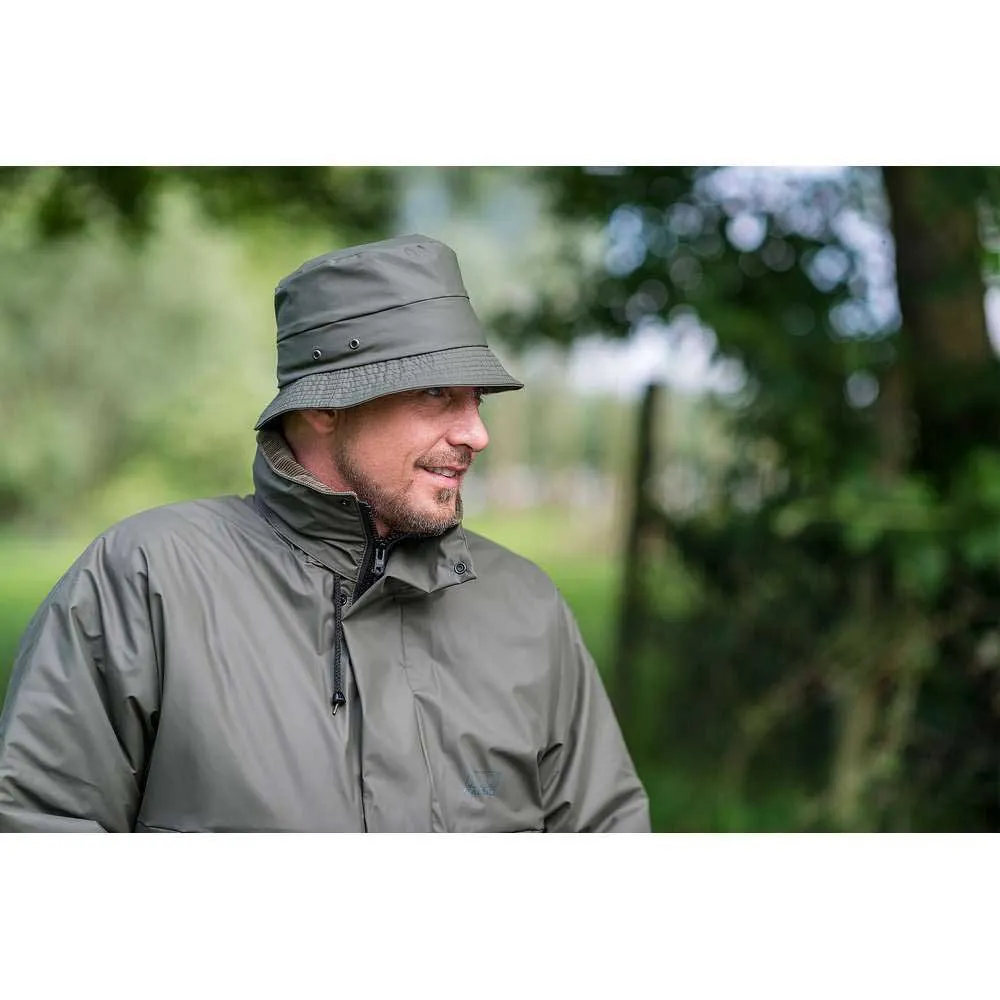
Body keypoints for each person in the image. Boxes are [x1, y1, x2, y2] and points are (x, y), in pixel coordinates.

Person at [0, 234, 650, 832]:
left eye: (475, 398)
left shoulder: (527, 607)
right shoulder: (149, 580)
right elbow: (40, 825)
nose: (475, 433)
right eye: (434, 394)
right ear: (323, 405)